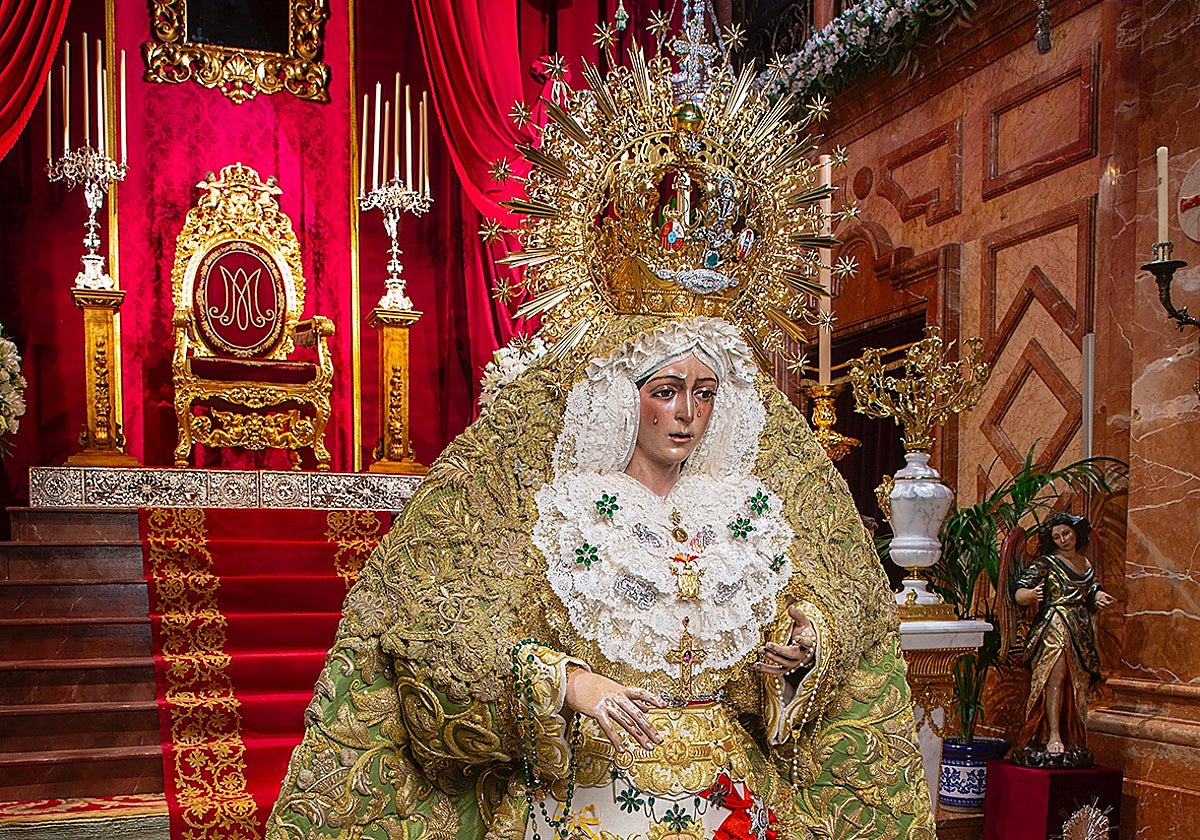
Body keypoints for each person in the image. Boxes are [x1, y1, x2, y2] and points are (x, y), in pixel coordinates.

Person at [267, 316, 935, 840]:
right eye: (666, 392)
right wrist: (567, 681)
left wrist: (801, 648)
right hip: (593, 793)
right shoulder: (564, 514)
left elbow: (821, 618)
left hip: (728, 798)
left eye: (704, 394)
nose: (686, 414)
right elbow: (448, 634)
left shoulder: (745, 514)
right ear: (625, 399)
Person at [1013, 512, 1115, 755]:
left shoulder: (1085, 563)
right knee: (1054, 677)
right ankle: (1052, 733)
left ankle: (1072, 734)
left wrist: (1097, 596)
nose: (1063, 539)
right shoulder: (1046, 563)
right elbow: (1019, 591)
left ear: (1076, 533)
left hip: (1080, 628)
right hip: (1055, 625)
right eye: (1057, 536)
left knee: (1076, 681)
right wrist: (1028, 595)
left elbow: (1090, 590)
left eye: (1066, 533)